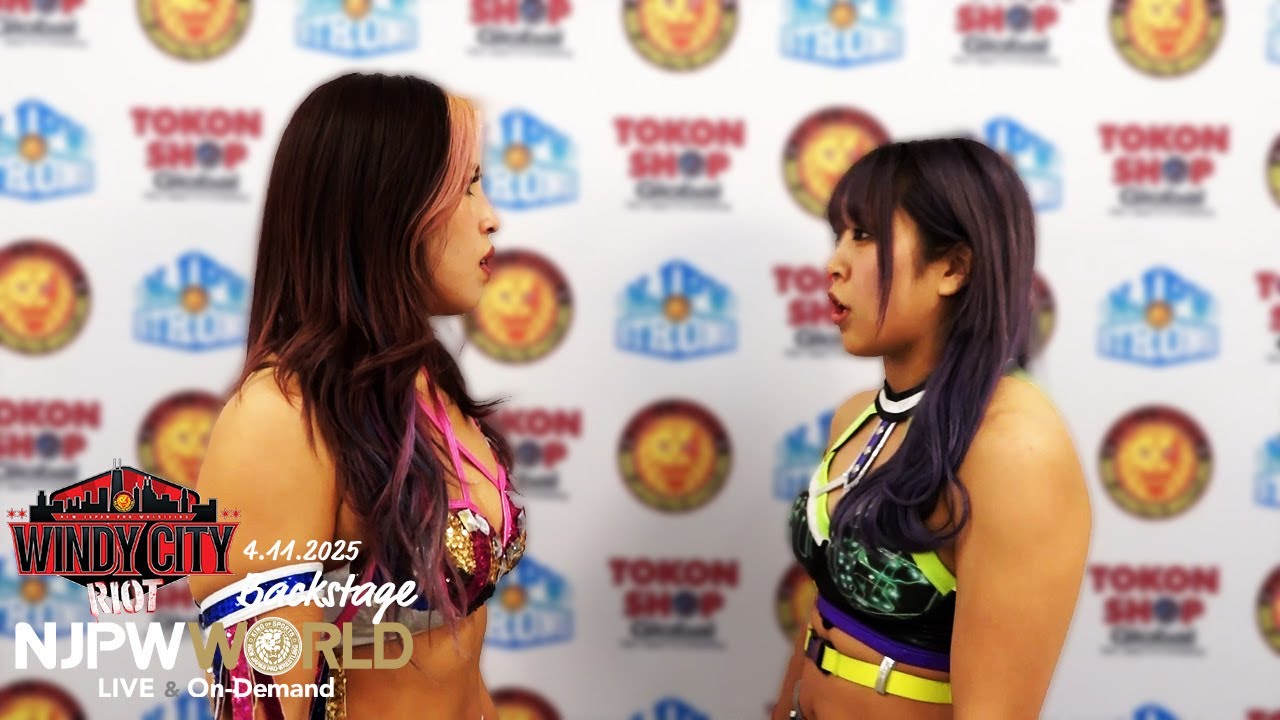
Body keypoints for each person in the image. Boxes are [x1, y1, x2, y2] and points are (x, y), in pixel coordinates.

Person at [188, 72, 520, 719]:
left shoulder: (424, 380)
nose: (491, 218)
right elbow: (263, 703)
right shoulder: (279, 417)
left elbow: (456, 669)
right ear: (384, 207)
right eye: (466, 187)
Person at [772, 138, 1092, 720]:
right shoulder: (857, 417)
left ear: (952, 268)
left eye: (864, 235)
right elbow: (823, 619)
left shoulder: (1012, 449)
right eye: (839, 235)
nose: (833, 264)